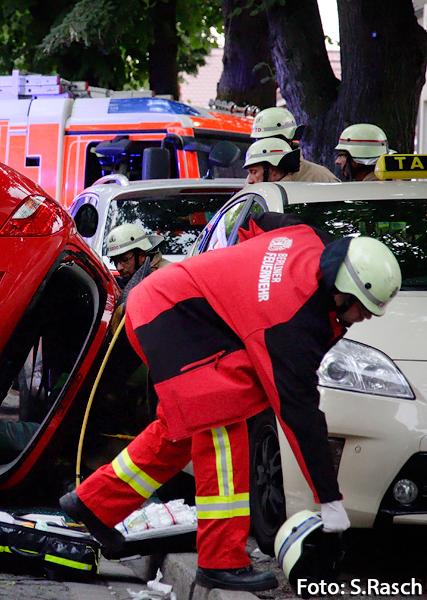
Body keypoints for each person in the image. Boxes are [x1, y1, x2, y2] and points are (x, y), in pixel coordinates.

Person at [61, 212, 401, 592]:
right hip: (173, 317)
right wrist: (330, 501)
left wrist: (237, 281)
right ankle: (221, 561)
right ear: (342, 291)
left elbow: (261, 221)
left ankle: (92, 503)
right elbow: (300, 413)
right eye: (365, 308)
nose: (367, 317)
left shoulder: (310, 240)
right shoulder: (290, 323)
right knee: (223, 428)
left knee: (182, 431)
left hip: (168, 305)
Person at [250, 107, 339, 182]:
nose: (260, 147)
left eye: (268, 142)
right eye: (258, 141)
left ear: (288, 141)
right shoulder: (253, 179)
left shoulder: (320, 178)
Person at [105, 223, 170, 286]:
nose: (119, 268)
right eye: (115, 261)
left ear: (141, 255)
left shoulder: (167, 277)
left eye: (125, 260)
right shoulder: (131, 280)